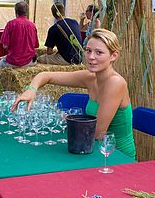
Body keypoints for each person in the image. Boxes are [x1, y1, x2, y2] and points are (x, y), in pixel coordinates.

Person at [13, 28, 136, 159]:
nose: (91, 57)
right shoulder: (91, 77)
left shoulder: (115, 83)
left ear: (113, 56)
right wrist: (31, 90)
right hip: (90, 148)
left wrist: (68, 119)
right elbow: (45, 75)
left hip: (116, 157)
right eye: (88, 51)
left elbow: (97, 133)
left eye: (99, 52)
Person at [0, 1, 38, 69]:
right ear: (27, 12)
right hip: (30, 61)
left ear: (16, 12)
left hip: (13, 61)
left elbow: (5, 46)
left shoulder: (10, 24)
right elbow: (36, 45)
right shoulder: (32, 25)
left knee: (0, 62)